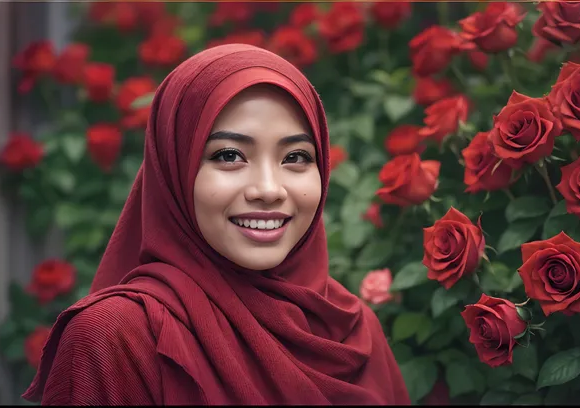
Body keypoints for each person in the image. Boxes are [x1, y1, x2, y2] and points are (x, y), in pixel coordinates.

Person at [22, 44, 410, 405]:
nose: (268, 189)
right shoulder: (116, 336)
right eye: (229, 155)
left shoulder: (354, 331)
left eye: (295, 157)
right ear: (175, 168)